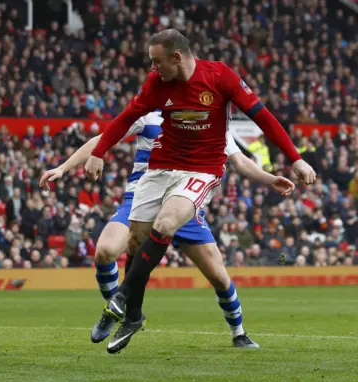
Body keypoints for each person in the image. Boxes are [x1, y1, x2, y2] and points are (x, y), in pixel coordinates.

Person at [83, 29, 316, 354]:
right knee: (136, 240)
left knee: (166, 225)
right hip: (160, 168)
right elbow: (126, 117)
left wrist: (295, 160)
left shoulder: (220, 77)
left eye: (156, 61)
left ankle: (121, 297)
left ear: (176, 57)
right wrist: (98, 152)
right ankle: (133, 315)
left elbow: (264, 118)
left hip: (201, 170)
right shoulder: (157, 85)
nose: (153, 69)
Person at [41, 112, 295, 349]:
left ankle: (238, 333)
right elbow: (103, 138)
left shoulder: (209, 122)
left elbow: (240, 162)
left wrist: (270, 179)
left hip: (184, 206)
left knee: (218, 275)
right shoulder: (147, 114)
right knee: (105, 251)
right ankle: (117, 309)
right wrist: (63, 168)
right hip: (140, 200)